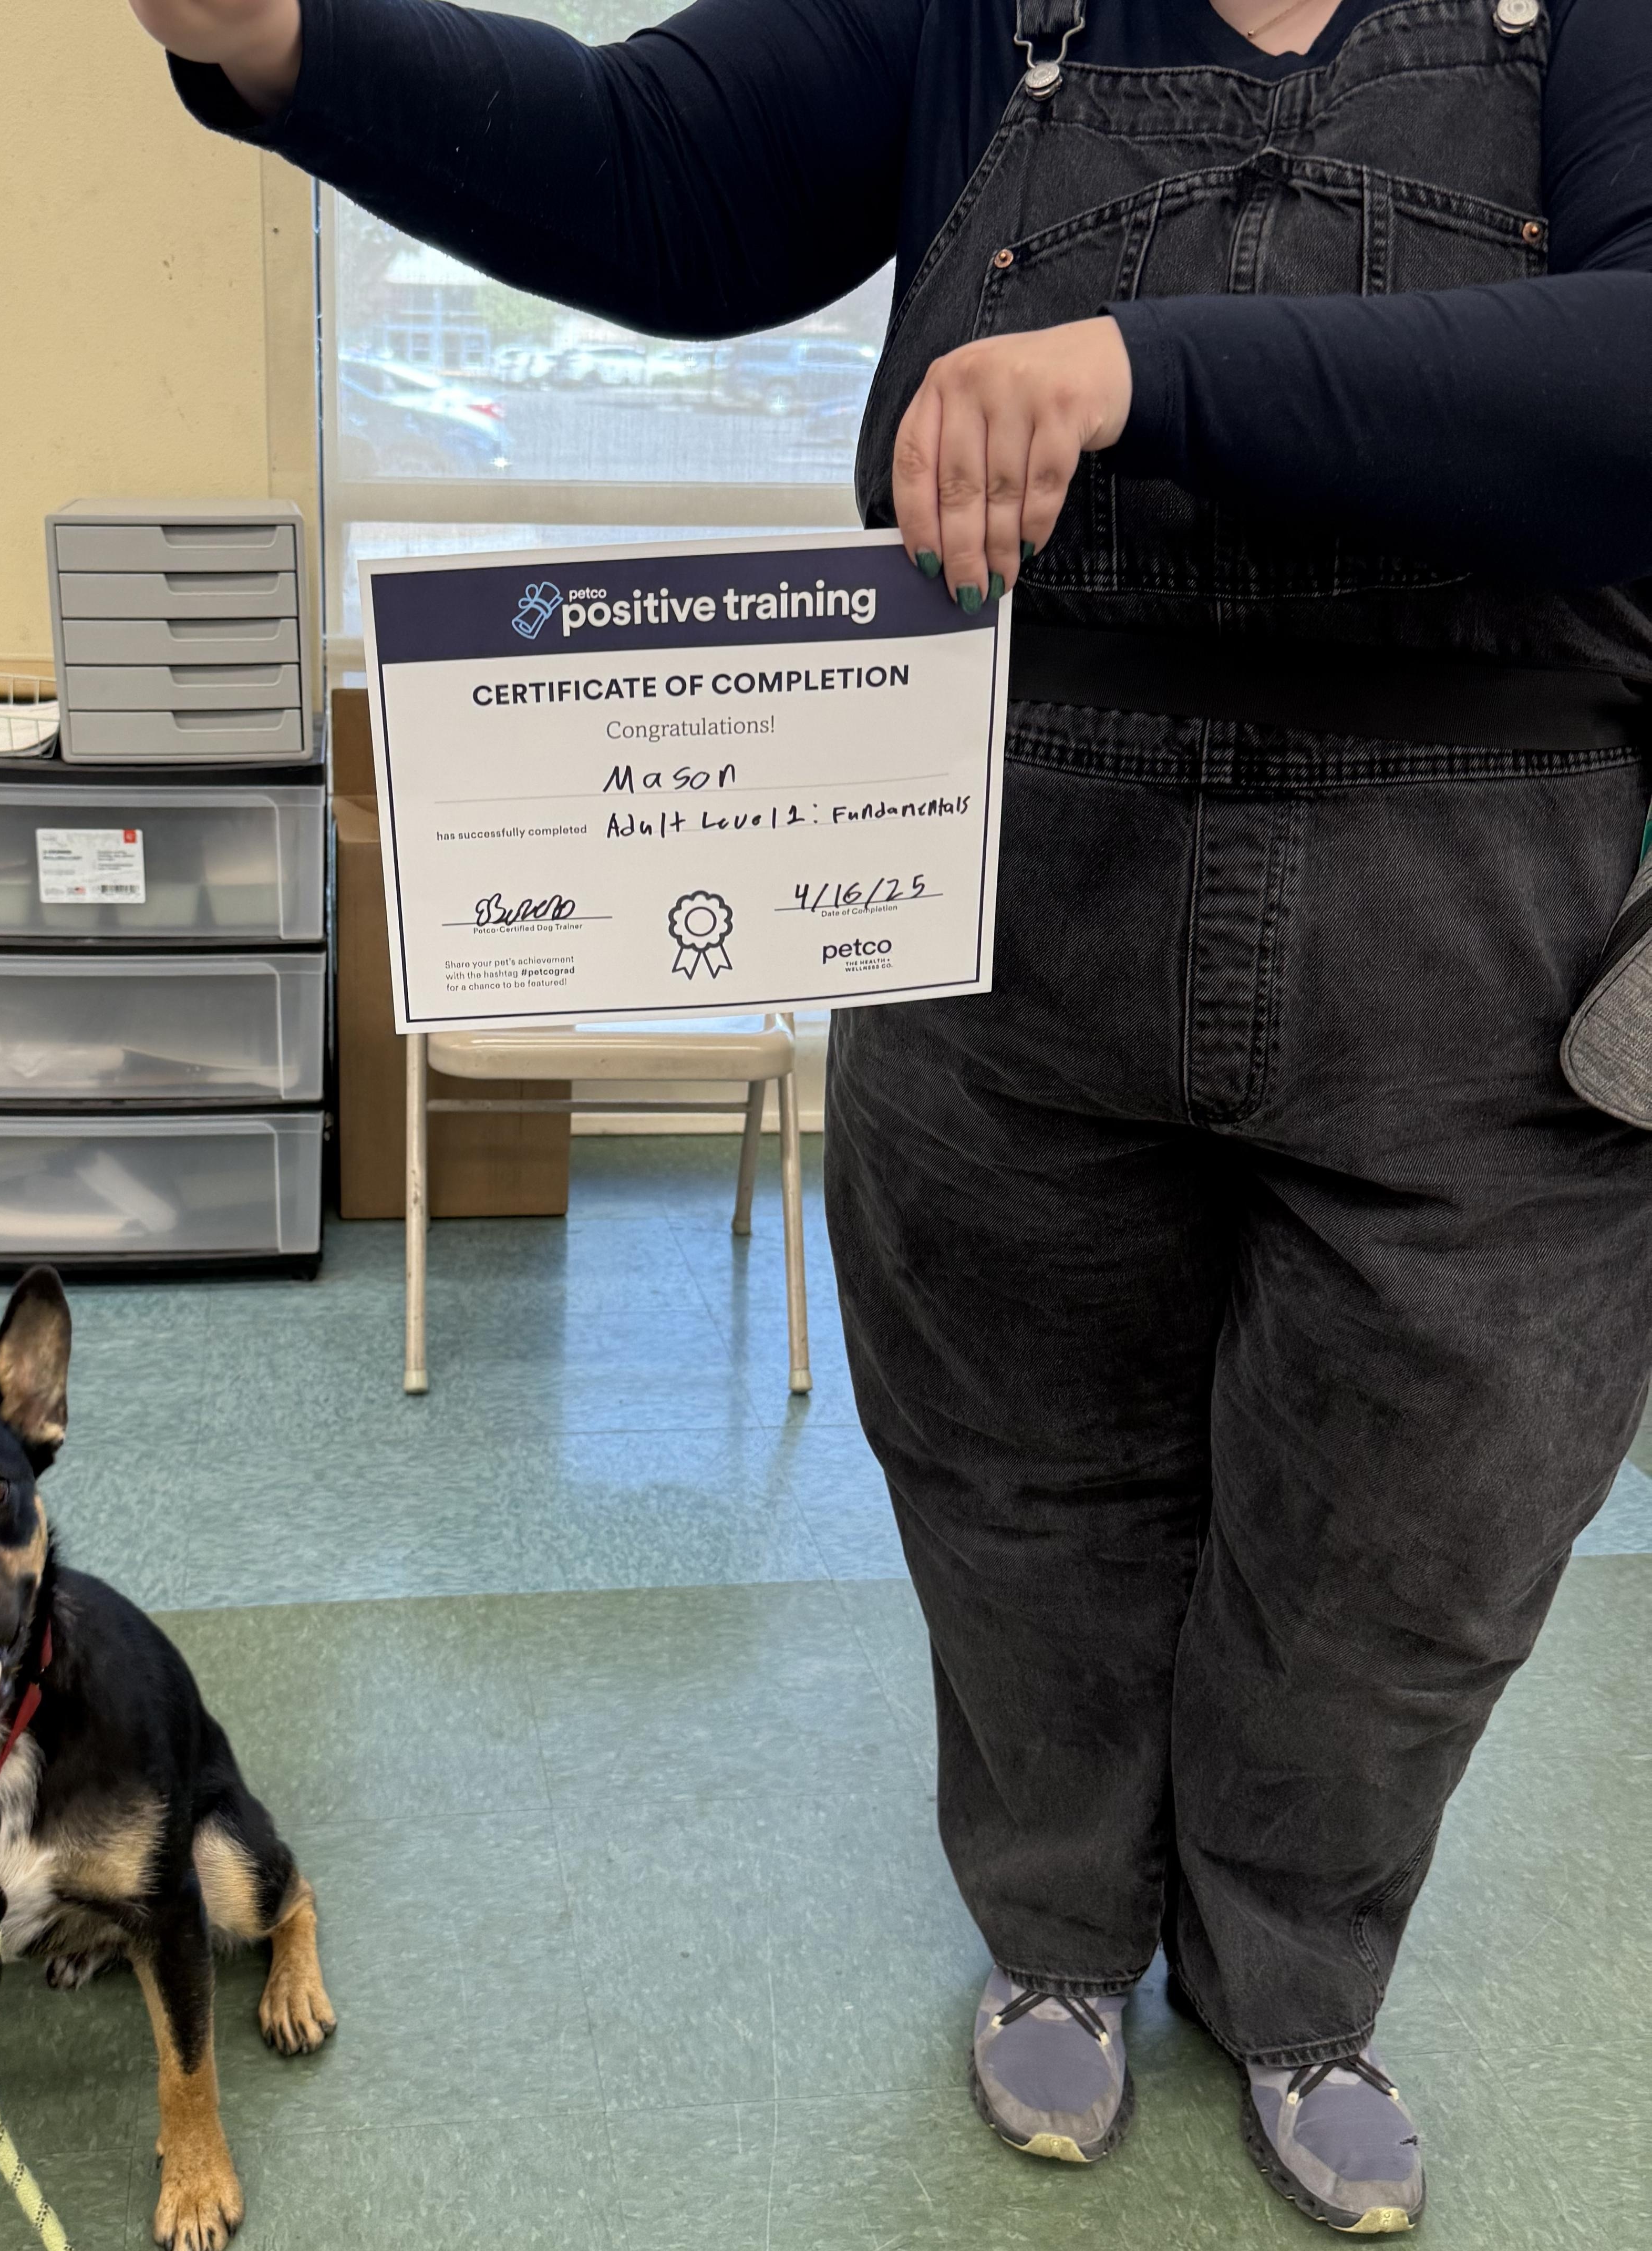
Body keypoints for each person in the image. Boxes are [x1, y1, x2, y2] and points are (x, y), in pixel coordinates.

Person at [130, 0, 1652, 2232]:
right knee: (1019, 1499)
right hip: (1013, 873)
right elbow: (647, 162)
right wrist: (277, 40)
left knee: (1410, 1555)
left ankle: (1293, 1983)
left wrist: (1142, 365)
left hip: (1482, 934)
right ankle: (1056, 1940)